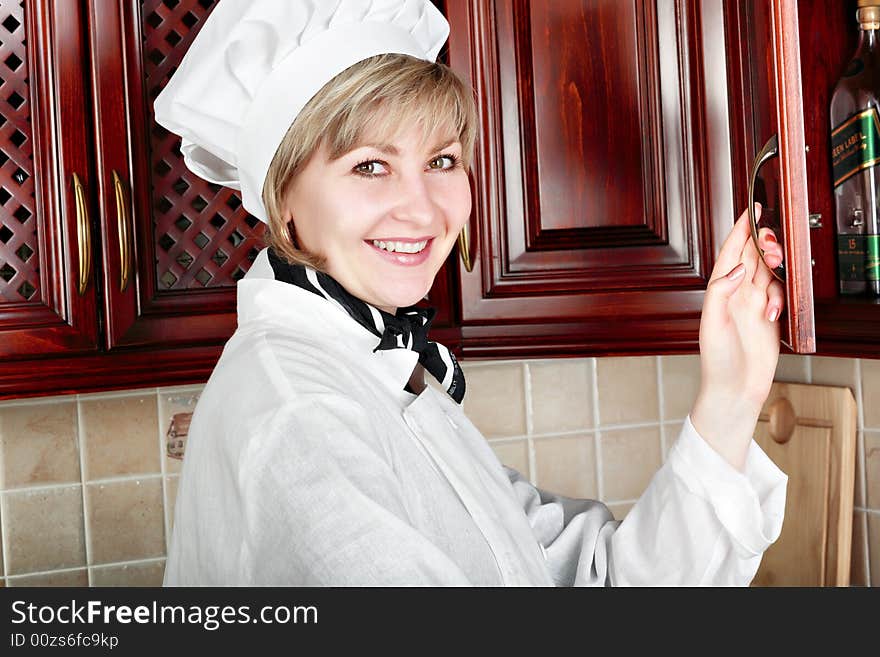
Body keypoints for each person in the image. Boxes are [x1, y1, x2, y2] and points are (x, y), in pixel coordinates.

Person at [154, 0, 788, 586]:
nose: (423, 209)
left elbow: (596, 580)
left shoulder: (378, 369)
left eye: (442, 161)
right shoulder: (300, 413)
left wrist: (733, 391)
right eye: (370, 166)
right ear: (282, 201)